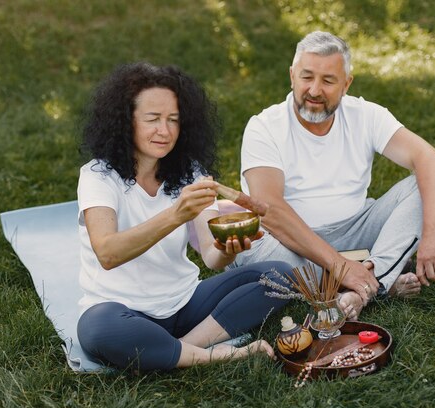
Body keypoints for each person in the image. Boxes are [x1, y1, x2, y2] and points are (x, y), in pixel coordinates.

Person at [76, 62, 292, 372]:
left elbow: (211, 258)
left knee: (280, 275)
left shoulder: (190, 173)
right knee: (99, 330)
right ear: (126, 122)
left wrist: (228, 247)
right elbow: (108, 253)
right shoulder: (98, 176)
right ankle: (216, 354)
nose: (164, 131)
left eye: (173, 120)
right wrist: (177, 215)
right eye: (152, 119)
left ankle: (181, 349)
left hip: (184, 303)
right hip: (120, 311)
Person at [230, 31, 435, 320]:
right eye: (306, 77)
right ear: (291, 76)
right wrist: (339, 265)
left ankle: (364, 283)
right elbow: (269, 209)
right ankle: (378, 282)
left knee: (422, 185)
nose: (314, 90)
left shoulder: (366, 115)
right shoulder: (264, 126)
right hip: (288, 243)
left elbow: (433, 161)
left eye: (328, 80)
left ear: (346, 84)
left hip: (356, 229)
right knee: (250, 245)